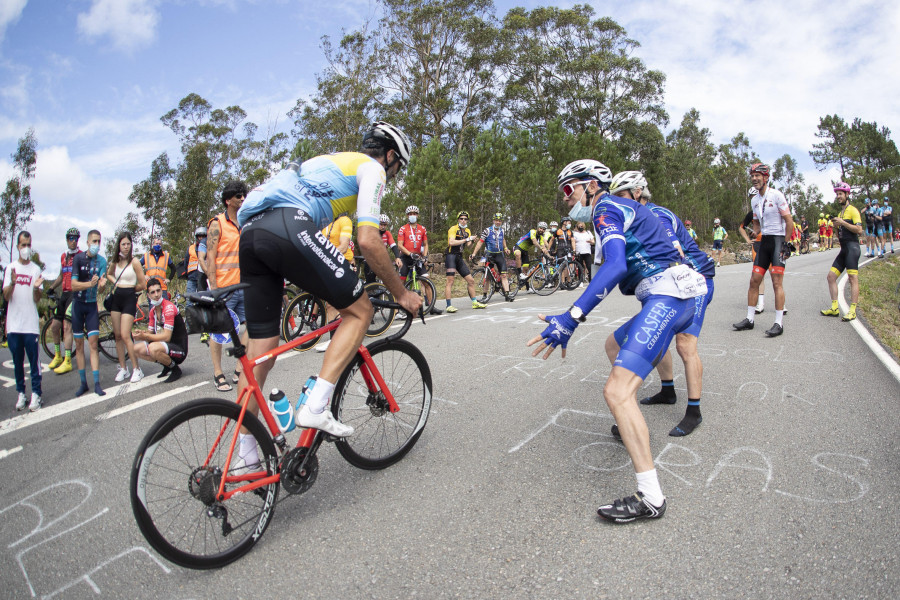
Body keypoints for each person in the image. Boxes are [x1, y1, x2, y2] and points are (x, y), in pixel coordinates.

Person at [528, 159, 707, 523]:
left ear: (591, 185)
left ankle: (651, 497)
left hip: (667, 296)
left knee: (617, 391)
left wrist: (572, 318)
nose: (565, 199)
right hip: (674, 294)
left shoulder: (606, 207)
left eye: (568, 189)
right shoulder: (623, 207)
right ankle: (632, 420)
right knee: (614, 345)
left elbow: (615, 268)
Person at [235, 120, 421, 452]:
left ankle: (245, 459)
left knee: (260, 355)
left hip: (251, 233)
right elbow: (368, 239)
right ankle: (316, 406)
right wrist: (402, 293)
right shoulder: (372, 170)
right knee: (360, 311)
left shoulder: (327, 162)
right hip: (288, 224)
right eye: (398, 168)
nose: (394, 175)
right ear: (390, 156)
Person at [609, 172, 715, 437]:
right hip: (666, 287)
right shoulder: (631, 219)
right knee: (649, 336)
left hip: (694, 280)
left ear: (637, 193)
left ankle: (694, 411)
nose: (617, 204)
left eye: (621, 197)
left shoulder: (656, 215)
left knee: (684, 343)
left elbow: (674, 252)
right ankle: (668, 390)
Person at [733, 163, 793, 337]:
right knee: (754, 281)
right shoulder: (754, 200)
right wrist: (753, 233)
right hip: (765, 241)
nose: (754, 179)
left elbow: (789, 221)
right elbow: (757, 223)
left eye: (757, 175)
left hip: (778, 240)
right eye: (752, 176)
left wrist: (786, 244)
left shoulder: (776, 195)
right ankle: (750, 319)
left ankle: (778, 323)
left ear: (766, 178)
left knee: (776, 282)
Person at [207, 180, 251, 392]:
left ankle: (238, 368)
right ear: (228, 201)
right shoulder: (217, 223)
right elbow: (211, 257)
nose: (242, 199)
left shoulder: (245, 221)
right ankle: (218, 373)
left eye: (243, 195)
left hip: (244, 285)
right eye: (238, 196)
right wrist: (214, 288)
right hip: (224, 288)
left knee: (251, 326)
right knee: (219, 332)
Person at [3, 231, 44, 411]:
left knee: (34, 361)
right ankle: (21, 392)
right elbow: (6, 296)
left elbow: (37, 298)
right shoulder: (10, 268)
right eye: (23, 245)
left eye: (28, 245)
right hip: (14, 324)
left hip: (30, 325)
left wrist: (36, 288)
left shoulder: (35, 269)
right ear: (18, 247)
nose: (26, 248)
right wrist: (12, 283)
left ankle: (36, 393)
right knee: (17, 361)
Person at [70, 230, 108, 397]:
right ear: (87, 242)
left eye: (99, 241)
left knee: (93, 344)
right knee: (79, 346)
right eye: (94, 241)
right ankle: (83, 383)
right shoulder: (78, 259)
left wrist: (101, 285)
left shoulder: (102, 261)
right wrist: (89, 284)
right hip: (78, 305)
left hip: (92, 306)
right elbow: (73, 285)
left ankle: (97, 383)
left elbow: (101, 287)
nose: (96, 245)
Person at [105, 232, 147, 382]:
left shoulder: (135, 262)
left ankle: (137, 368)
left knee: (125, 334)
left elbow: (142, 284)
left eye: (128, 244)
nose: (126, 247)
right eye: (123, 244)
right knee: (117, 335)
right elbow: (109, 274)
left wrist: (130, 289)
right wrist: (116, 283)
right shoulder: (115, 261)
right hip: (116, 299)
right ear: (119, 245)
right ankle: (123, 368)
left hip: (129, 298)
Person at [820, 182, 863, 322]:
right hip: (844, 249)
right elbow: (840, 233)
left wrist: (843, 223)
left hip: (853, 248)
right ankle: (834, 308)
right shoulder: (840, 213)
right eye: (837, 194)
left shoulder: (853, 210)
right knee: (831, 277)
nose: (838, 196)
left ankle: (852, 310)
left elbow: (859, 230)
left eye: (840, 194)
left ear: (847, 194)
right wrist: (837, 227)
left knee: (852, 278)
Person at [133, 277, 187, 382]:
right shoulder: (153, 311)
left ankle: (175, 369)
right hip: (168, 347)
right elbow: (150, 333)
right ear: (148, 296)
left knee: (153, 348)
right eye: (152, 292)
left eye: (158, 290)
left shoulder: (168, 308)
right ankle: (167, 364)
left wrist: (146, 336)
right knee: (135, 349)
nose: (156, 294)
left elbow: (166, 337)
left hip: (180, 349)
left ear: (162, 291)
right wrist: (142, 334)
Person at [46, 227, 82, 374]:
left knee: (67, 326)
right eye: (71, 238)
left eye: (76, 238)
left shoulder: (81, 256)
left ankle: (67, 360)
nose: (73, 241)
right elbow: (61, 276)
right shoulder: (63, 256)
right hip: (64, 294)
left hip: (75, 294)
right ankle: (58, 355)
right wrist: (51, 287)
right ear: (67, 240)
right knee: (55, 326)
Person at [398, 205, 441, 315]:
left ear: (417, 215)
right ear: (407, 215)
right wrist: (410, 254)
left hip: (418, 258)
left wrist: (425, 256)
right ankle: (399, 308)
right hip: (406, 257)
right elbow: (400, 245)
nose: (412, 215)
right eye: (410, 213)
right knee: (401, 283)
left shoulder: (422, 229)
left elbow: (426, 244)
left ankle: (431, 306)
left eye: (414, 213)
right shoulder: (403, 228)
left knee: (426, 281)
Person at [443, 211, 486, 312]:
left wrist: (472, 242)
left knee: (471, 280)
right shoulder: (453, 229)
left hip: (459, 257)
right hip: (451, 256)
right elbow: (451, 242)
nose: (463, 221)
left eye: (465, 219)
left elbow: (468, 246)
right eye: (461, 219)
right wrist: (466, 240)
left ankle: (475, 302)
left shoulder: (467, 231)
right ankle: (448, 305)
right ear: (458, 220)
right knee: (450, 281)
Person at [471, 212, 514, 301]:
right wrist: (474, 253)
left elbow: (503, 239)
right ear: (493, 221)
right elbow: (480, 242)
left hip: (499, 255)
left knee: (504, 275)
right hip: (489, 255)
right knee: (487, 276)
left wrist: (505, 248)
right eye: (496, 220)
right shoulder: (487, 230)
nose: (498, 222)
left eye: (500, 221)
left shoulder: (502, 230)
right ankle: (485, 295)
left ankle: (507, 295)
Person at [739, 189, 766, 314]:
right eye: (751, 196)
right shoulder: (751, 214)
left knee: (776, 274)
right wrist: (748, 240)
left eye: (755, 195)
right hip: (758, 245)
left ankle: (782, 304)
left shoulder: (768, 208)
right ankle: (760, 303)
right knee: (759, 275)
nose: (754, 198)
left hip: (770, 242)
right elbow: (741, 228)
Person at [363, 214, 403, 283]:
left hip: (381, 260)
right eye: (381, 224)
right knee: (371, 283)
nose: (383, 227)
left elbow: (393, 246)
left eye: (385, 225)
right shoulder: (372, 232)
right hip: (370, 260)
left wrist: (398, 257)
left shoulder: (387, 234)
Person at [184, 227, 207, 297]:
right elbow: (186, 262)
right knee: (190, 299)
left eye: (203, 236)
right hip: (192, 277)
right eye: (199, 236)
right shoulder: (191, 248)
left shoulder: (209, 248)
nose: (201, 238)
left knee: (203, 298)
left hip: (204, 277)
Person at [572, 220, 595, 284]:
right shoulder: (575, 234)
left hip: (587, 251)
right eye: (579, 226)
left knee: (589, 266)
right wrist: (574, 250)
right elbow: (573, 241)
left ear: (584, 226)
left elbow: (593, 241)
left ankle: (591, 281)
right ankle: (580, 281)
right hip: (579, 252)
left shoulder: (588, 232)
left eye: (581, 226)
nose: (580, 227)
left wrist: (590, 241)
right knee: (580, 267)